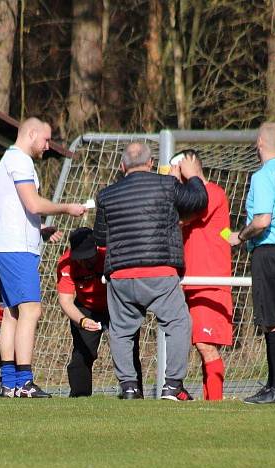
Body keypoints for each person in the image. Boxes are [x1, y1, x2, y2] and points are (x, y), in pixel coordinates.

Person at [93, 141, 207, 401]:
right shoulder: (167, 185)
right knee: (178, 323)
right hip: (159, 272)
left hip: (121, 275)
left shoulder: (106, 195)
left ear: (122, 166)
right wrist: (191, 177)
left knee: (121, 331)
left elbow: (100, 237)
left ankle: (129, 387)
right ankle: (172, 385)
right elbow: (198, 201)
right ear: (152, 163)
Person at [0, 117, 86, 398]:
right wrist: (66, 207)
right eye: (45, 140)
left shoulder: (9, 159)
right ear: (31, 134)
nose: (47, 146)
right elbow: (33, 202)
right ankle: (24, 381)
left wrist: (40, 228)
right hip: (16, 249)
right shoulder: (20, 161)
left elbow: (16, 209)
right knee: (31, 310)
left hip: (9, 246)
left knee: (12, 313)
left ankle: (9, 381)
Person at [228, 121, 275, 404]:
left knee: (273, 322)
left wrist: (239, 236)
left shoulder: (262, 176)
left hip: (270, 252)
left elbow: (262, 220)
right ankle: (273, 385)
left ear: (259, 143)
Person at [170, 149, 234, 401]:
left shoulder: (213, 193)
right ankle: (207, 402)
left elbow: (182, 215)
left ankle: (216, 402)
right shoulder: (194, 194)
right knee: (199, 346)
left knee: (207, 346)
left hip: (209, 281)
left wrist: (174, 182)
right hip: (190, 282)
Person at [56, 227, 143, 397]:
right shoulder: (66, 263)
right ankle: (80, 397)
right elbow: (65, 301)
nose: (84, 263)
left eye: (88, 257)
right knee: (83, 352)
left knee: (129, 350)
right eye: (80, 258)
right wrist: (81, 320)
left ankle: (134, 393)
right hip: (86, 308)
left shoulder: (109, 254)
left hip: (117, 305)